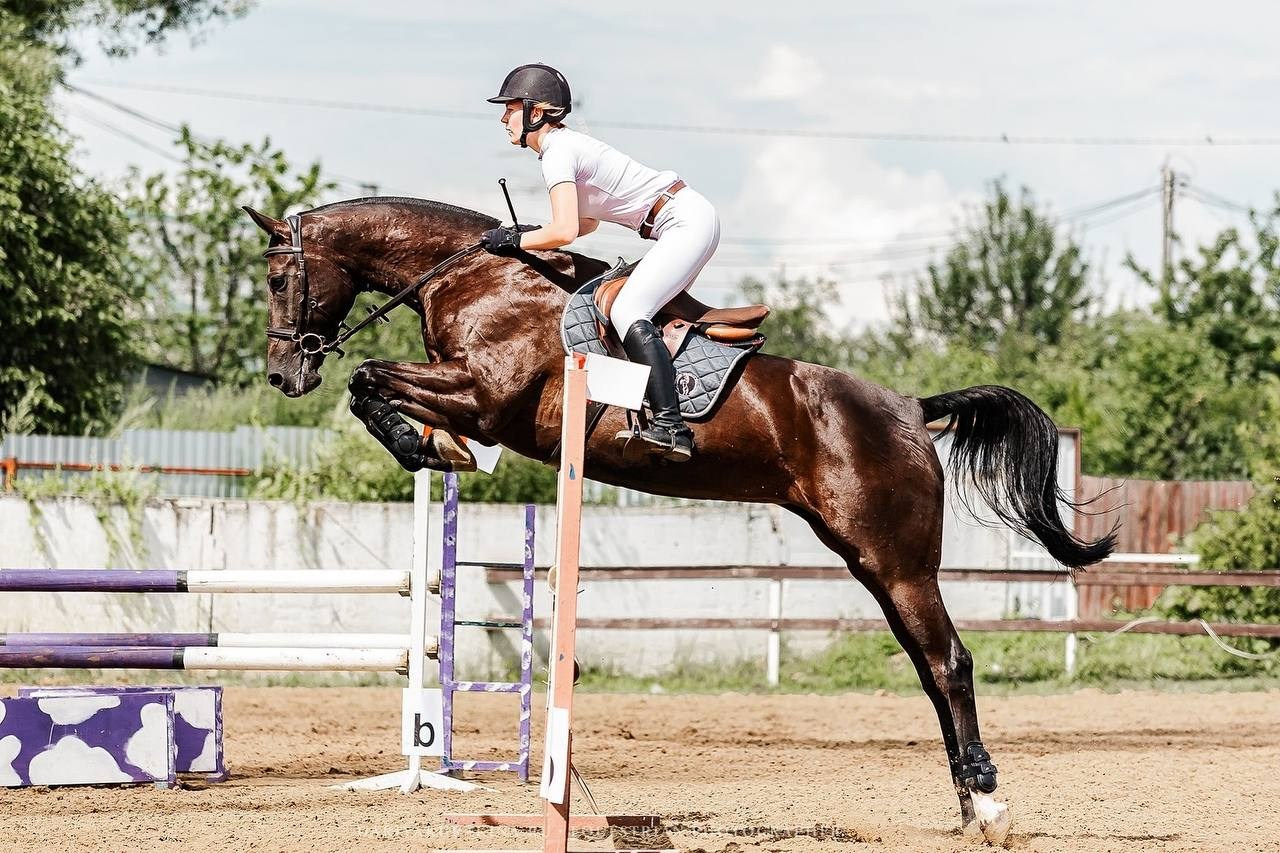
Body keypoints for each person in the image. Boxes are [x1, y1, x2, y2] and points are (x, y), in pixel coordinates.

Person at [480, 63, 720, 463]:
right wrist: (534, 233)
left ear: (535, 113)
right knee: (633, 307)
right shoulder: (564, 149)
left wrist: (517, 239)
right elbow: (584, 223)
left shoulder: (558, 152)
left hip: (683, 221)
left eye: (511, 107)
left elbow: (566, 231)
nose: (504, 116)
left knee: (629, 309)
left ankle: (672, 427)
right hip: (684, 218)